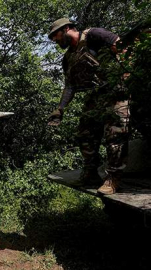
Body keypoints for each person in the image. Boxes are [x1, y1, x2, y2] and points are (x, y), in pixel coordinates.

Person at [47, 18, 130, 195]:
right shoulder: (68, 57)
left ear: (67, 28)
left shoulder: (94, 35)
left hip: (116, 90)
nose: (55, 41)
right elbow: (70, 86)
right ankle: (91, 173)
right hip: (96, 95)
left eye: (56, 36)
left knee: (115, 134)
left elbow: (122, 47)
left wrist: (128, 74)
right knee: (85, 133)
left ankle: (114, 178)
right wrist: (60, 108)